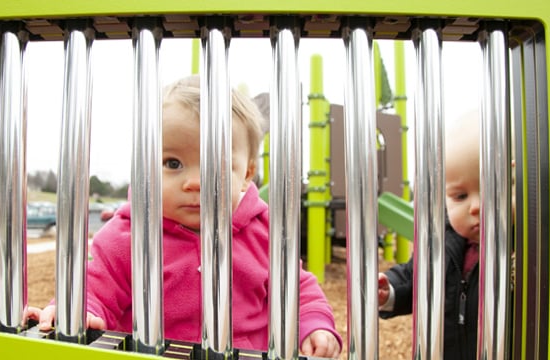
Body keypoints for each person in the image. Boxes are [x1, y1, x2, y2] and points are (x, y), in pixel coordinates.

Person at [28, 75, 342, 358]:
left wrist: (314, 324)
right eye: (173, 163)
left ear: (246, 175)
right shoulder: (131, 234)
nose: (194, 182)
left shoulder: (265, 231)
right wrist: (80, 310)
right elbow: (96, 286)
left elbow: (297, 289)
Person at [377, 111, 485, 359]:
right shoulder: (440, 242)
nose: (475, 206)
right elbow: (414, 278)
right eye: (460, 196)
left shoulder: (525, 251)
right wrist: (389, 292)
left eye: (490, 188)